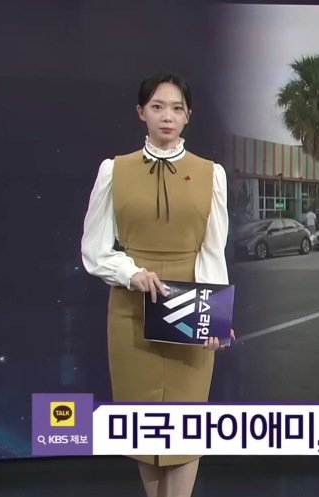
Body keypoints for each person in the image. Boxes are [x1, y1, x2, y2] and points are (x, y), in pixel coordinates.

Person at [81, 73, 233, 497]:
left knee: (187, 425)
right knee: (142, 424)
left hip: (191, 308)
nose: (168, 116)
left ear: (188, 116)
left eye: (177, 108)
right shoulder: (114, 170)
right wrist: (130, 272)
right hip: (131, 309)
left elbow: (213, 251)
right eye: (158, 107)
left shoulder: (211, 174)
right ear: (141, 113)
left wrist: (217, 319)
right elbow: (94, 249)